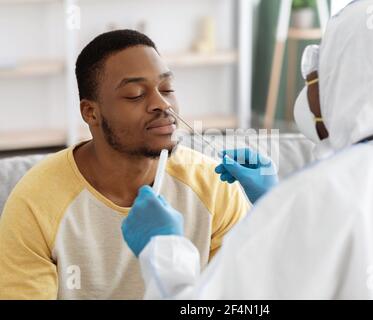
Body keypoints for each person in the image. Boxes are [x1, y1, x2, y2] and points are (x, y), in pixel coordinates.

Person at [122, 0, 373, 299]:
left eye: (317, 73)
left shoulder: (316, 195)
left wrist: (162, 248)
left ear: (341, 80)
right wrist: (274, 201)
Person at [0, 30, 250, 299]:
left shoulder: (215, 187)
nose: (162, 103)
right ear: (91, 112)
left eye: (167, 89)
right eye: (135, 94)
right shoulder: (35, 202)